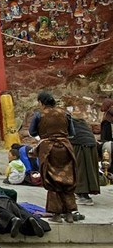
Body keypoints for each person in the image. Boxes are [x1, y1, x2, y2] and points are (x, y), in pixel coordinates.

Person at [29, 91, 78, 223]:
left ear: (41, 102)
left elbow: (32, 131)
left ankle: (56, 214)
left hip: (48, 149)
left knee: (52, 180)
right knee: (67, 179)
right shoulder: (65, 113)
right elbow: (72, 133)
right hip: (66, 148)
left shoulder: (39, 115)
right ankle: (69, 213)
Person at [70, 112, 99, 206]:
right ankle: (82, 194)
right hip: (91, 145)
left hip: (81, 145)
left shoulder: (70, 123)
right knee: (89, 170)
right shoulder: (81, 123)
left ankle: (84, 196)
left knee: (81, 170)